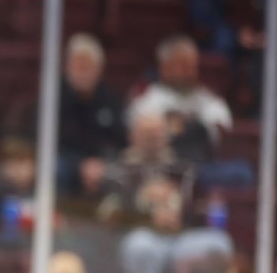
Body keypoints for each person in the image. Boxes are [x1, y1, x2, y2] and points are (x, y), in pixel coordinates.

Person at [128, 34, 251, 188]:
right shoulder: (147, 100)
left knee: (242, 171)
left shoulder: (209, 99)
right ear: (164, 67)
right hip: (166, 168)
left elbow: (222, 131)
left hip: (202, 167)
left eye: (192, 65)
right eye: (182, 65)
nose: (189, 71)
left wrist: (183, 126)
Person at [184, 0, 266, 111]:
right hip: (222, 38)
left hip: (258, 40)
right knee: (223, 41)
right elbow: (203, 19)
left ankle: (261, 110)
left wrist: (266, 34)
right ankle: (224, 104)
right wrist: (237, 35)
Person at [56, 33, 127, 196]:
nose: (83, 72)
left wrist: (100, 162)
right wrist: (80, 165)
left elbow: (120, 140)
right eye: (79, 66)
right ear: (67, 67)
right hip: (67, 160)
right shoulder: (54, 98)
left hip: (102, 162)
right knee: (57, 168)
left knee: (123, 170)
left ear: (100, 69)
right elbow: (47, 141)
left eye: (88, 67)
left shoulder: (110, 99)